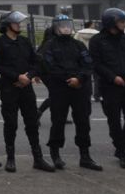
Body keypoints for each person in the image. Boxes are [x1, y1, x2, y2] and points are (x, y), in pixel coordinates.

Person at [0, 11, 54, 173]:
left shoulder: (25, 42)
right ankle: (10, 158)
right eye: (15, 23)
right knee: (11, 123)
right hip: (9, 88)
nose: (19, 25)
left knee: (32, 123)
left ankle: (38, 158)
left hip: (26, 88)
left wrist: (29, 76)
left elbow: (36, 62)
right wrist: (16, 76)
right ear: (7, 25)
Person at [38, 14, 102, 171]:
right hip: (60, 89)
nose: (66, 28)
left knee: (83, 122)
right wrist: (69, 79)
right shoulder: (50, 46)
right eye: (62, 25)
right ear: (56, 27)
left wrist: (79, 79)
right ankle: (55, 154)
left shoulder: (78, 45)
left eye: (68, 25)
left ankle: (85, 156)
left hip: (79, 88)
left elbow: (88, 64)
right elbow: (49, 67)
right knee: (58, 122)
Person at [89, 8, 125, 169]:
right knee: (114, 121)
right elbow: (96, 64)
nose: (124, 24)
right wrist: (113, 77)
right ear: (111, 22)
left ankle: (122, 147)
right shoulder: (97, 41)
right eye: (121, 21)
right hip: (110, 87)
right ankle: (123, 152)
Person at [75, 20, 101, 102]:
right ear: (90, 25)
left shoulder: (79, 33)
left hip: (84, 56)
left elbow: (75, 44)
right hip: (95, 56)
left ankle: (87, 94)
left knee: (86, 76)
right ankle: (97, 95)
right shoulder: (97, 33)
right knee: (97, 77)